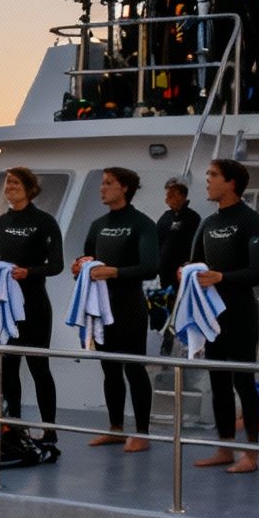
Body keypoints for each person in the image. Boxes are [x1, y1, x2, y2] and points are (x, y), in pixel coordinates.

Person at [191, 158, 259, 473]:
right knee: (218, 382)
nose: (207, 180)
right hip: (213, 317)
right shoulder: (209, 224)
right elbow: (197, 263)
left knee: (244, 382)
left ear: (231, 183)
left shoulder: (252, 222)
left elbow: (257, 273)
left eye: (213, 175)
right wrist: (189, 273)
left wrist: (220, 277)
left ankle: (250, 453)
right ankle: (224, 448)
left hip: (240, 313)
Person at [74, 167, 158, 452]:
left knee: (134, 368)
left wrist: (114, 272)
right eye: (102, 183)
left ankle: (143, 433)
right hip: (101, 307)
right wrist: (79, 268)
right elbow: (87, 258)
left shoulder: (142, 224)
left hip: (130, 306)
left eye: (108, 183)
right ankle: (116, 429)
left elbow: (150, 267)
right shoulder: (98, 224)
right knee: (109, 369)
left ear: (124, 188)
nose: (102, 188)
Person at [0, 166, 64, 432]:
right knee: (9, 368)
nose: (10, 187)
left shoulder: (44, 221)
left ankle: (49, 429)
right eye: (7, 183)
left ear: (29, 189)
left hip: (35, 305)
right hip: (7, 308)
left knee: (39, 368)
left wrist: (29, 272)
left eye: (15, 183)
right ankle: (13, 425)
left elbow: (56, 265)